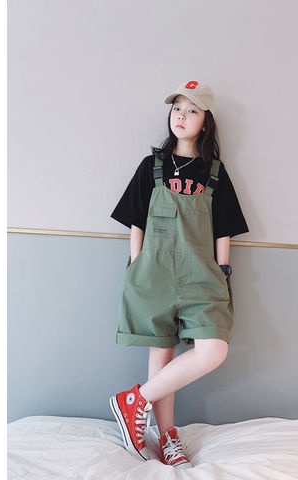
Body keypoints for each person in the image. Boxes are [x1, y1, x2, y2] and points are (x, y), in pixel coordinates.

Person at [110, 80, 248, 468]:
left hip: (202, 273)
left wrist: (222, 271)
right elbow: (135, 221)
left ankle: (134, 401)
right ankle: (168, 435)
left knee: (213, 350)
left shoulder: (215, 173)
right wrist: (138, 264)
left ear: (206, 122)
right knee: (162, 352)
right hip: (152, 271)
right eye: (177, 109)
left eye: (192, 110)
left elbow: (224, 228)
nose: (181, 116)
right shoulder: (151, 166)